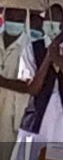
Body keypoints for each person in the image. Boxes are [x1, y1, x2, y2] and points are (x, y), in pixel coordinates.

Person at [10, 4, 63, 160]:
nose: (50, 22)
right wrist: (48, 58)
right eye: (47, 18)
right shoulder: (32, 48)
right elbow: (32, 89)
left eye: (56, 18)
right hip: (37, 122)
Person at [0, 8, 30, 158]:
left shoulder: (30, 47)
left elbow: (29, 86)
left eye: (19, 21)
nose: (14, 23)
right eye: (11, 18)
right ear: (4, 16)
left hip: (12, 115)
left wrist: (3, 82)